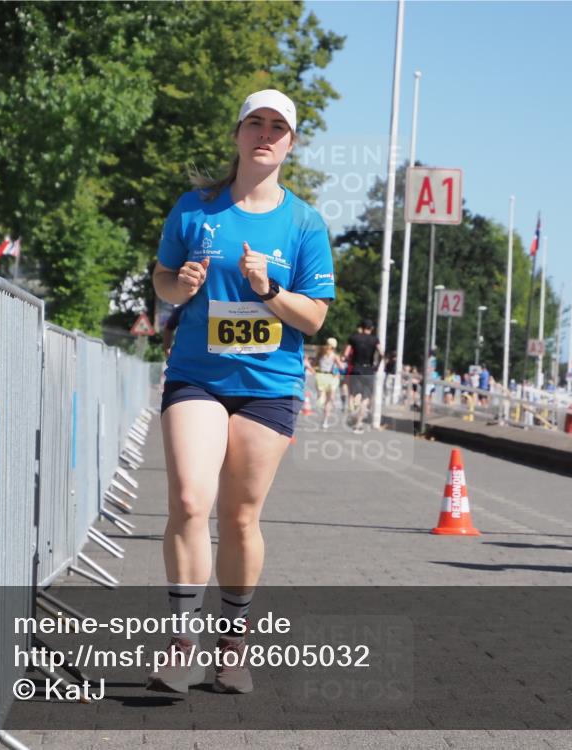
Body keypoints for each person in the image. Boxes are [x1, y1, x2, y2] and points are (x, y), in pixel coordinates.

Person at [148, 89, 335, 692]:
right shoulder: (196, 208)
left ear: (291, 143)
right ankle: (182, 641)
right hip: (198, 375)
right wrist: (180, 283)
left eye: (277, 126)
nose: (265, 132)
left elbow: (313, 319)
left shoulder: (304, 222)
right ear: (237, 134)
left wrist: (266, 288)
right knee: (188, 500)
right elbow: (164, 285)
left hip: (268, 385)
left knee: (240, 516)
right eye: (255, 121)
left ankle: (232, 645)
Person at [343, 318, 382, 433]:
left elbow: (346, 354)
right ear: (372, 328)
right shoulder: (375, 340)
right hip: (369, 370)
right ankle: (358, 424)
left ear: (362, 327)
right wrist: (377, 366)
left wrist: (348, 361)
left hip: (356, 368)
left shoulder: (353, 338)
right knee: (366, 398)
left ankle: (352, 412)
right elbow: (381, 353)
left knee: (353, 394)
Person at [314, 337, 344, 430]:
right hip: (330, 378)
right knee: (329, 401)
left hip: (320, 376)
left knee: (322, 398)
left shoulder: (320, 353)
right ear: (334, 346)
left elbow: (315, 363)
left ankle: (321, 400)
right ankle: (325, 421)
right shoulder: (334, 356)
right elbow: (342, 367)